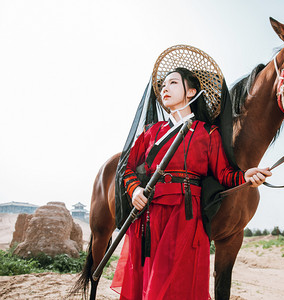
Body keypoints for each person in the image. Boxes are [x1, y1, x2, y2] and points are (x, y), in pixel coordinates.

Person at [110, 46, 271, 300]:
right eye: (163, 84)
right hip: (152, 216)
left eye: (173, 82)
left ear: (191, 91)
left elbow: (225, 175)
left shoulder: (208, 133)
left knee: (185, 285)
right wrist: (135, 189)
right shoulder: (152, 133)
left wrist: (246, 176)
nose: (165, 88)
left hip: (188, 219)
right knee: (151, 286)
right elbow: (126, 169)